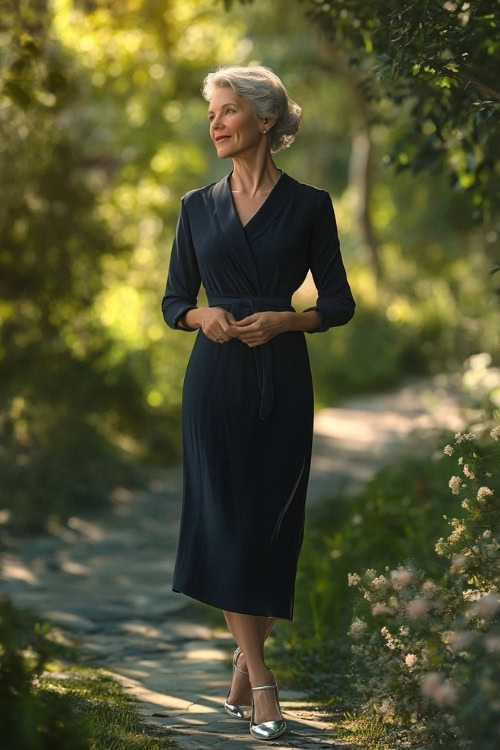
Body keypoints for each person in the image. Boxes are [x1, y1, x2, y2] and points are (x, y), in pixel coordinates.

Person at [161, 64, 356, 742]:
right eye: (211, 112)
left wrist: (284, 320)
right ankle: (264, 680)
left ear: (266, 121)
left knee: (270, 530)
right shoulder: (195, 206)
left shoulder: (310, 206)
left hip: (281, 377)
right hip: (214, 382)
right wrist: (200, 320)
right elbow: (173, 301)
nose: (213, 123)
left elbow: (338, 303)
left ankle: (244, 663)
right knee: (230, 525)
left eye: (227, 111)